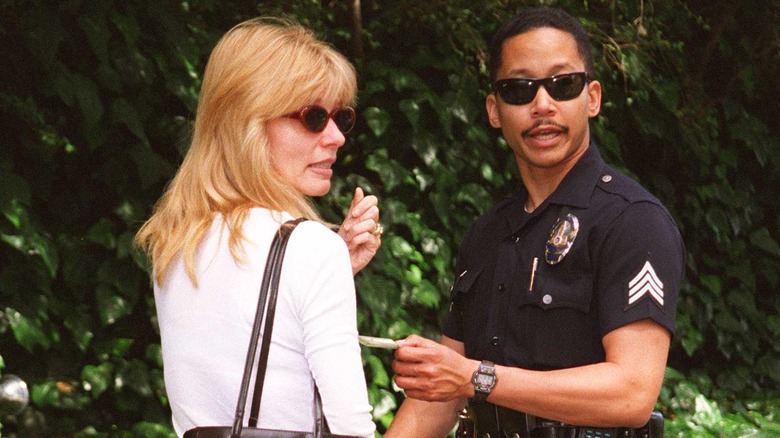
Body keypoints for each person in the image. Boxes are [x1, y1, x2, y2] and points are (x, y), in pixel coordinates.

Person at [386, 7, 685, 438]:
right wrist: (455, 376)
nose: (542, 105)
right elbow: (439, 398)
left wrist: (476, 377)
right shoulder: (486, 235)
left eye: (563, 85)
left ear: (593, 97)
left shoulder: (632, 220)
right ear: (494, 109)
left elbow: (632, 393)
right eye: (519, 90)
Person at [134, 18, 380, 438]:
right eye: (313, 117)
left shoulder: (177, 239)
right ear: (248, 123)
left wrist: (337, 267)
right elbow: (351, 427)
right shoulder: (310, 249)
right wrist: (327, 262)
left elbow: (234, 347)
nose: (337, 136)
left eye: (341, 116)